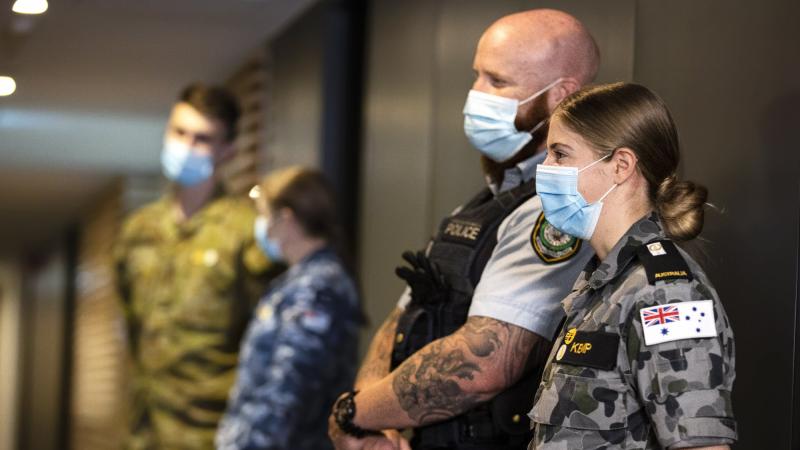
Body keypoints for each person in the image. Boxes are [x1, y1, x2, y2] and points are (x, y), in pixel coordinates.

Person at [329, 9, 600, 450]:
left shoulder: (562, 208)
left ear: (560, 96)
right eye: (477, 76)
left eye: (497, 82)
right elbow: (401, 318)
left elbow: (485, 363)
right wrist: (372, 420)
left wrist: (353, 415)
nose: (475, 95)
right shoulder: (485, 201)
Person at [528, 82, 737, 449]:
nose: (545, 169)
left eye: (560, 154)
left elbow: (701, 445)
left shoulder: (665, 292)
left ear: (621, 166)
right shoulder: (604, 282)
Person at [114, 83, 280, 449]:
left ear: (228, 151)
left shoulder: (249, 233)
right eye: (179, 132)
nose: (186, 146)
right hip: (145, 430)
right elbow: (132, 326)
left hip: (213, 431)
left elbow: (268, 341)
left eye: (202, 138)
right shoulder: (138, 230)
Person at [215, 166, 362, 450]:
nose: (262, 226)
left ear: (286, 218)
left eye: (264, 214)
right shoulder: (296, 281)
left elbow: (290, 389)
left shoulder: (318, 286)